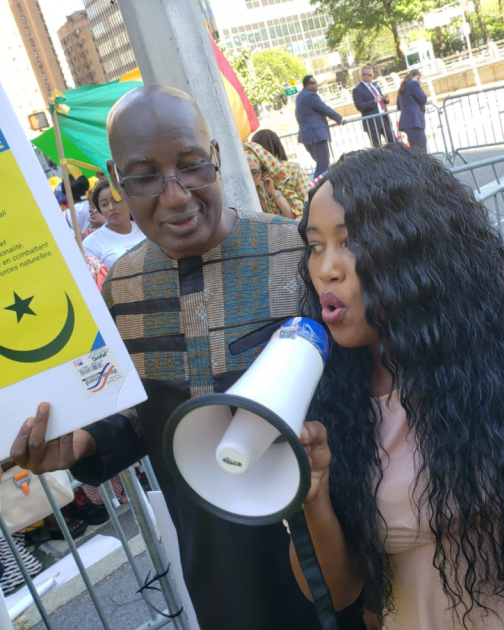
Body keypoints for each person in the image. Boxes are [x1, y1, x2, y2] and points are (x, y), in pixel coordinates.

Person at [9, 85, 365, 630]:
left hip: (332, 547)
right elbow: (136, 412)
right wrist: (79, 442)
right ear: (116, 177)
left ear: (217, 158)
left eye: (192, 166)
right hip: (219, 571)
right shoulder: (120, 288)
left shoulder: (298, 257)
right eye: (146, 176)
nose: (175, 196)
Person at [292, 144, 504, 629]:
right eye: (315, 244)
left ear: (418, 245)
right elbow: (337, 590)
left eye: (352, 242)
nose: (327, 267)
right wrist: (311, 494)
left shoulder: (502, 302)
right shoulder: (316, 387)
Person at [83, 179, 146, 268]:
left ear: (129, 201)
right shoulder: (90, 244)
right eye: (104, 204)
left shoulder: (146, 229)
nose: (111, 208)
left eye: (116, 201)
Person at [243, 141, 310, 219]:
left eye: (254, 172)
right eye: (245, 174)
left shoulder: (284, 178)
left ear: (263, 170)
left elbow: (293, 217)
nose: (250, 178)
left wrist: (273, 192)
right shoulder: (242, 192)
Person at [295, 75, 344, 179]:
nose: (317, 85)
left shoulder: (300, 95)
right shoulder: (311, 96)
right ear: (308, 85)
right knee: (323, 165)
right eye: (314, 83)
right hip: (316, 135)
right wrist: (340, 119)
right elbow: (325, 109)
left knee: (321, 165)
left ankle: (319, 189)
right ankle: (315, 190)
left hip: (308, 137)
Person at [352, 66, 396, 147]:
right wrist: (374, 101)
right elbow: (359, 106)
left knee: (394, 142)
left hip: (384, 118)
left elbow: (380, 99)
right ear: (363, 75)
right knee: (377, 147)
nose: (372, 77)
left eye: (372, 74)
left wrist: (385, 100)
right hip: (372, 122)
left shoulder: (375, 85)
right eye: (369, 75)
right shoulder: (357, 90)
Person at [396, 69, 428, 151]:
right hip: (414, 121)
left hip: (407, 122)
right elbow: (423, 98)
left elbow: (398, 105)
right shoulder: (413, 84)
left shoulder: (403, 86)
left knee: (415, 149)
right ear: (418, 76)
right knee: (421, 150)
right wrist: (419, 85)